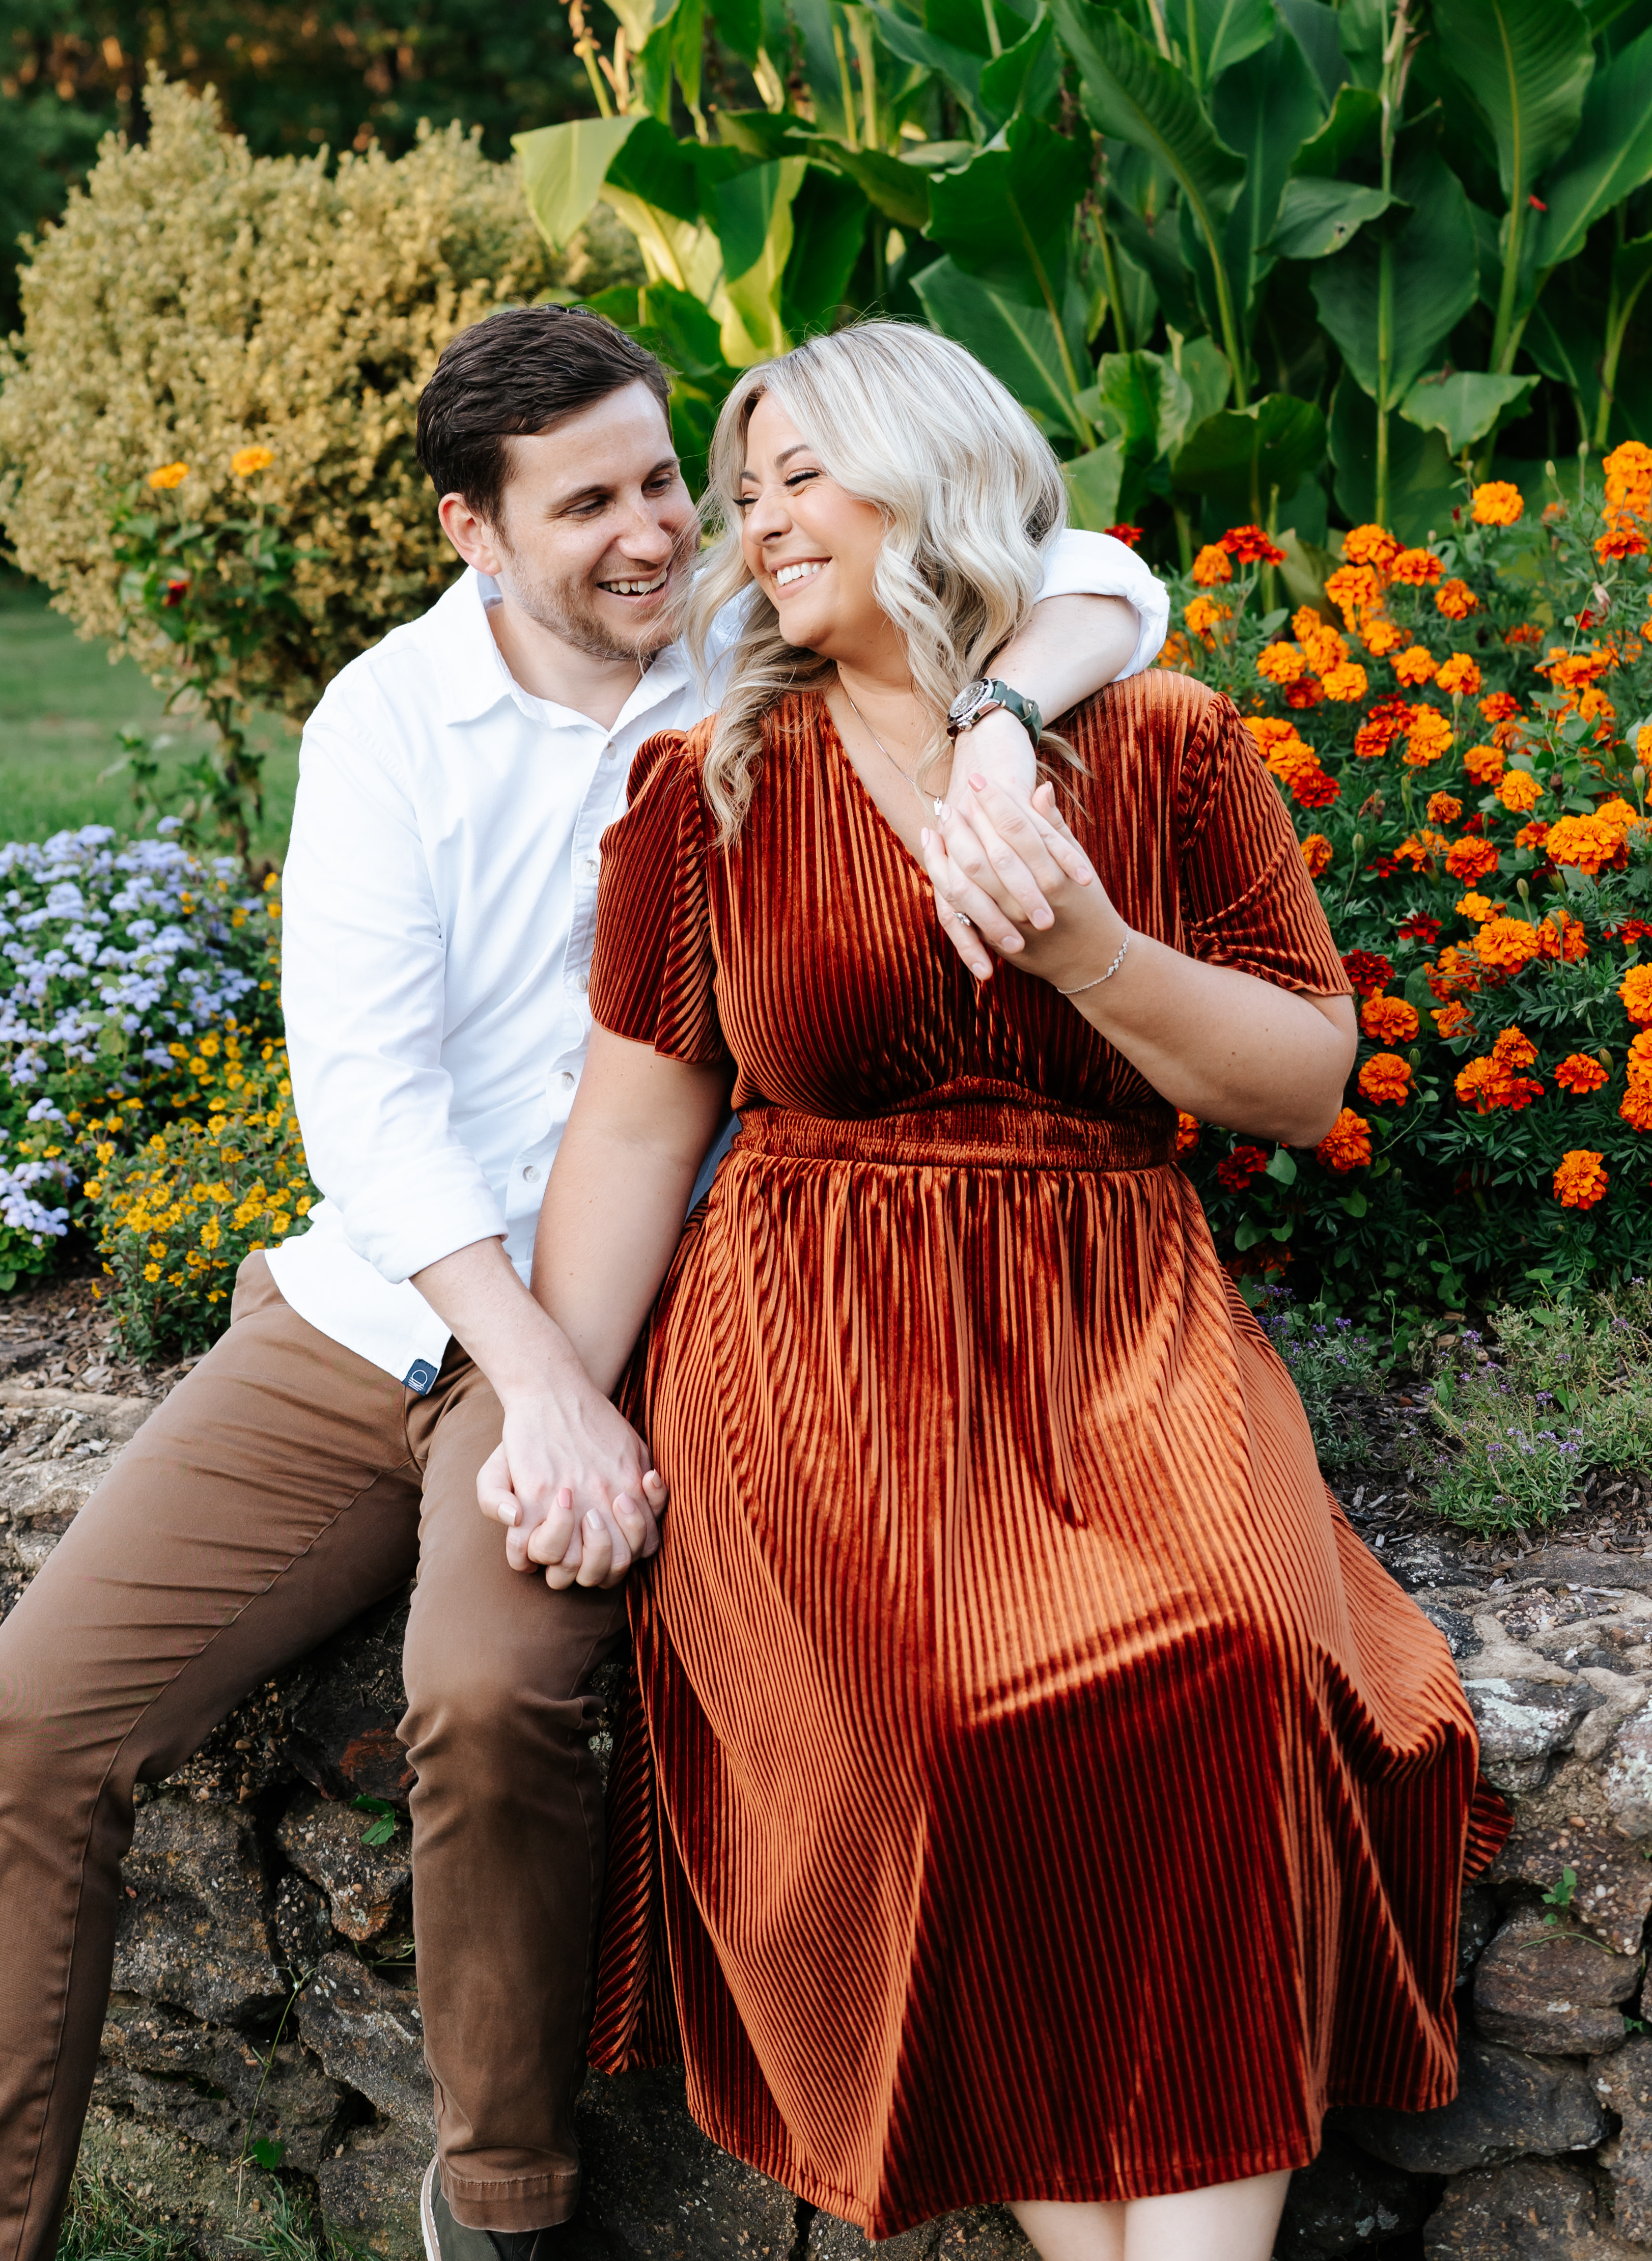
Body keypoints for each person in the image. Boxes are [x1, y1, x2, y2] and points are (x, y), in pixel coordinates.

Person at [0, 303, 1166, 2261]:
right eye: (592, 507)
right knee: (21, 1729)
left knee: (485, 1696)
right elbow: (372, 1115)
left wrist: (1002, 715)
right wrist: (536, 1389)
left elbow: (1093, 566)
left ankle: (501, 2204)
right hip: (388, 1305)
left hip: (641, 1291)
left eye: (669, 480)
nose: (657, 534)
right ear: (476, 534)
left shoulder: (755, 641)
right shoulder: (385, 726)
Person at [500, 324, 1505, 2261]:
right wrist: (555, 1398)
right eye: (746, 488)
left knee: (1230, 1670)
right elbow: (635, 1136)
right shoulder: (708, 782)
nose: (756, 518)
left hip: (1114, 1322)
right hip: (815, 1341)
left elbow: (1302, 1083)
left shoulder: (1167, 744)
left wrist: (1099, 953)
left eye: (800, 470)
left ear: (929, 469)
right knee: (952, 1725)